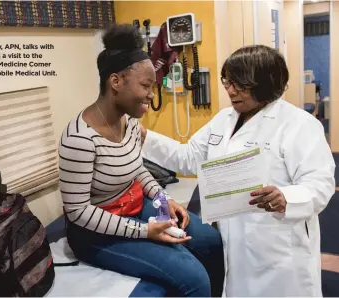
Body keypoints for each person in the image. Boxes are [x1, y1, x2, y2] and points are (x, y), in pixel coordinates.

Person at [140, 45, 336, 297]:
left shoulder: (298, 125)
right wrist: (144, 137)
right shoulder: (224, 120)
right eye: (228, 81)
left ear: (265, 83)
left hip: (277, 243)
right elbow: (188, 157)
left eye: (240, 84)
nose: (230, 90)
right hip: (232, 235)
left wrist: (286, 198)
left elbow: (320, 183)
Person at [58, 24, 224, 297]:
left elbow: (139, 171)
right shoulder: (78, 139)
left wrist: (163, 201)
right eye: (146, 86)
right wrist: (144, 231)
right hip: (95, 234)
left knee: (210, 240)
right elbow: (79, 212)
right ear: (116, 82)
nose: (151, 94)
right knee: (194, 278)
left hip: (135, 208)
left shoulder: (130, 122)